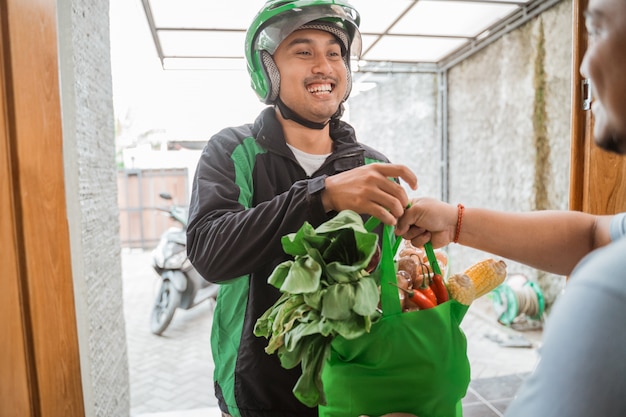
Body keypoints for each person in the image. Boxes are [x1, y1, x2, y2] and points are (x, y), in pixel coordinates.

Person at [186, 1, 417, 416]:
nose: (325, 65)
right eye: (303, 51)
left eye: (335, 52)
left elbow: (379, 281)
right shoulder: (233, 151)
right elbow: (210, 253)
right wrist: (319, 195)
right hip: (258, 389)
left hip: (353, 386)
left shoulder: (371, 167)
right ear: (267, 69)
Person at [396, 0, 626, 414]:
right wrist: (456, 221)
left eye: (601, 31)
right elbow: (594, 236)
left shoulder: (611, 293)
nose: (585, 66)